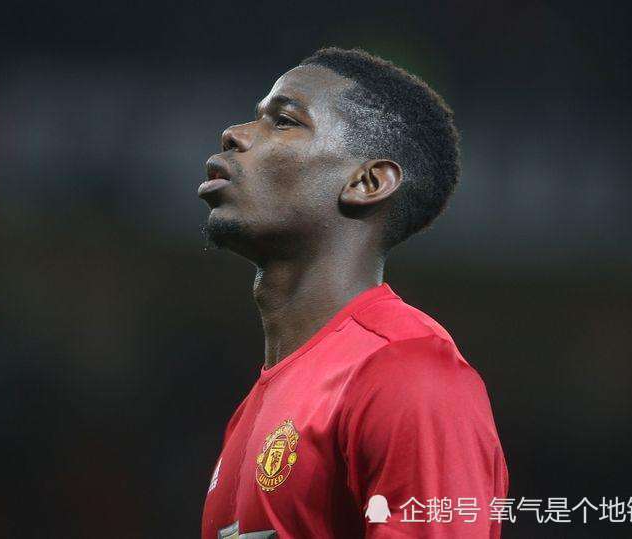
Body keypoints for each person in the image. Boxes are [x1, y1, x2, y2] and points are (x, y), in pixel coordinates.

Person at [198, 47, 508, 538]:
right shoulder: (257, 405)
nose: (235, 134)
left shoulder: (406, 370)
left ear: (367, 182)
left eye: (284, 121)